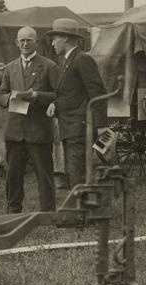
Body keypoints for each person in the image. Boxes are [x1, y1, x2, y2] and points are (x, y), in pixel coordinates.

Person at [0, 26, 60, 213]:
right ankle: (13, 211)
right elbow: (1, 94)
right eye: (22, 40)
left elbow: (59, 94)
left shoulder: (49, 66)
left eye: (29, 40)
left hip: (39, 131)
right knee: (13, 175)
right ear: (16, 43)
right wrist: (10, 98)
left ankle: (48, 213)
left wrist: (38, 96)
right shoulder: (9, 68)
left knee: (44, 175)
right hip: (15, 133)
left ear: (36, 42)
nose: (25, 43)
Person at [46, 18, 108, 190]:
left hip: (79, 129)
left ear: (65, 38)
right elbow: (70, 93)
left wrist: (101, 126)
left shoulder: (82, 60)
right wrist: (56, 104)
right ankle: (79, 212)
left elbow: (98, 93)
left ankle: (83, 214)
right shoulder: (68, 61)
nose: (52, 44)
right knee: (73, 177)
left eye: (54, 38)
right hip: (70, 128)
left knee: (77, 178)